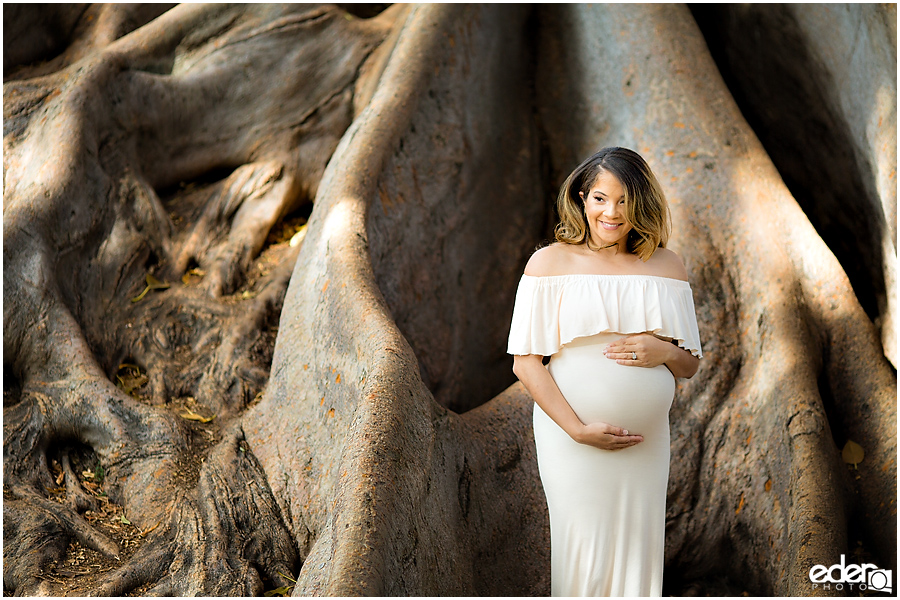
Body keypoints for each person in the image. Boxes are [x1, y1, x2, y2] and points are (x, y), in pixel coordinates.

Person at [507, 147, 702, 596]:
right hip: (573, 439)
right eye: (599, 198)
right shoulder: (549, 263)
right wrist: (577, 430)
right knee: (585, 551)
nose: (611, 213)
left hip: (645, 444)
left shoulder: (666, 266)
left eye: (623, 202)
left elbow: (689, 364)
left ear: (641, 204)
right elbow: (525, 363)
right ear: (581, 197)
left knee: (637, 553)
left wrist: (661, 350)